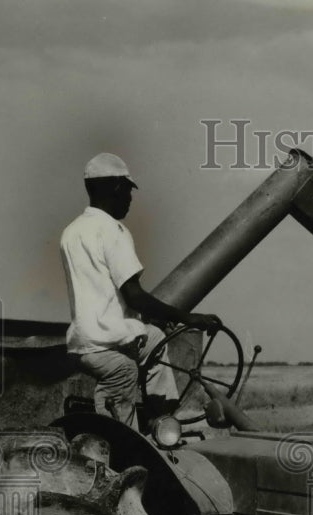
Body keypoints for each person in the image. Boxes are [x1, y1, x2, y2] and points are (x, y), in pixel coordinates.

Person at [60, 152, 218, 429]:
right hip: (108, 345)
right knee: (124, 376)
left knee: (155, 337)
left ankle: (163, 419)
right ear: (118, 187)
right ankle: (125, 437)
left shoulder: (72, 232)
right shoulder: (113, 231)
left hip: (84, 340)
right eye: (129, 192)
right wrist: (187, 317)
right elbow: (133, 294)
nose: (131, 200)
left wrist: (151, 319)